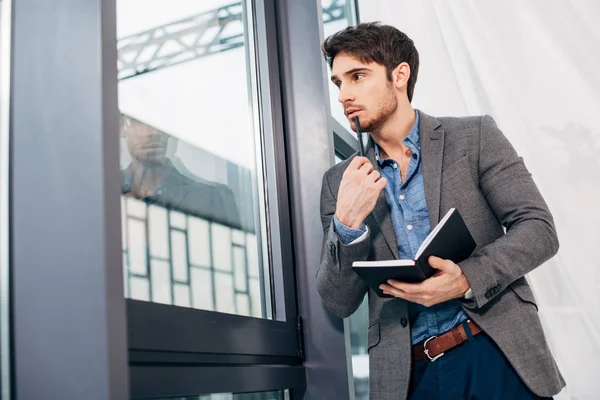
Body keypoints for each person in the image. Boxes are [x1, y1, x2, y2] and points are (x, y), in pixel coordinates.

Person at [316, 22, 564, 400]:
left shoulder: (474, 137)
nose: (344, 95)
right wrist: (346, 224)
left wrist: (466, 277)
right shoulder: (340, 182)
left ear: (399, 75)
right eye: (339, 83)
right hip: (411, 377)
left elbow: (539, 229)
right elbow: (338, 301)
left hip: (494, 350)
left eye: (357, 76)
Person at [120, 113, 241, 229]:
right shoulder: (105, 190)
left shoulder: (211, 199)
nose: (155, 132)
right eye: (140, 121)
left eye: (161, 121)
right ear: (122, 126)